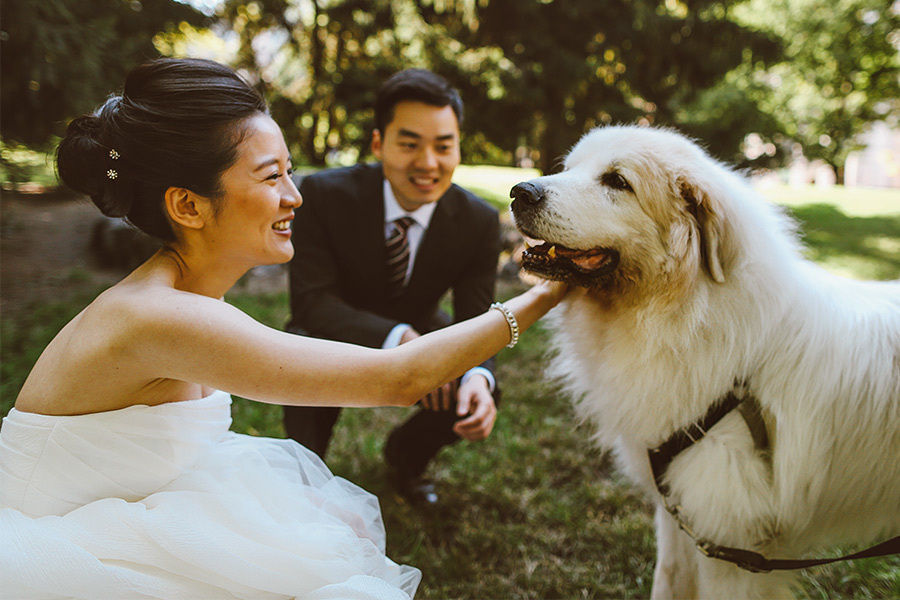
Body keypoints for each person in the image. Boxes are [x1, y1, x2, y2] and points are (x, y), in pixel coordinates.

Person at [0, 58, 566, 600]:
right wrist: (548, 292)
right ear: (189, 206)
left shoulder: (180, 295)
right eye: (272, 177)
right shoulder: (158, 316)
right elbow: (398, 380)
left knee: (328, 532)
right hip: (57, 543)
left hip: (129, 500)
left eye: (289, 172)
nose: (295, 196)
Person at [285, 69, 500, 506]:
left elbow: (476, 319)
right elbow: (311, 302)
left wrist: (478, 375)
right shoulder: (323, 194)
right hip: (334, 326)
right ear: (379, 143)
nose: (428, 163)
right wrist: (400, 341)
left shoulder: (479, 220)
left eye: (443, 146)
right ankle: (307, 471)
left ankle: (406, 458)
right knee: (302, 344)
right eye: (409, 144)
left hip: (420, 320)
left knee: (478, 379)